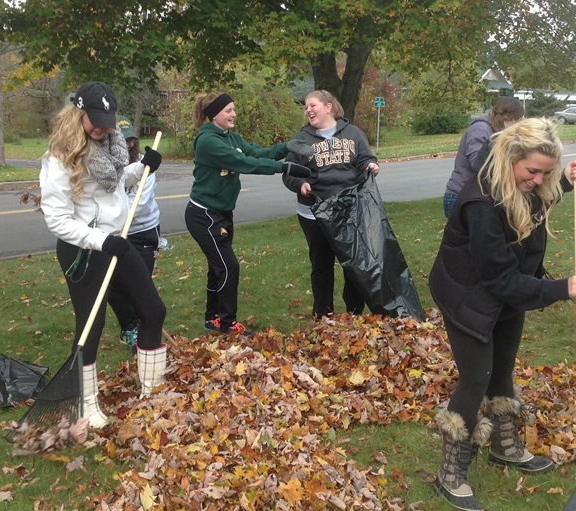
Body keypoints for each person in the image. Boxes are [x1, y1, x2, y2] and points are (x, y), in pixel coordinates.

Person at [429, 117, 576, 511]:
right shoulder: (482, 203)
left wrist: (564, 182)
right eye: (532, 171)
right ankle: (450, 473)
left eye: (546, 172)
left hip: (507, 292)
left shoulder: (522, 183)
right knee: (476, 375)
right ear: (510, 158)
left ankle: (504, 447)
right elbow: (498, 277)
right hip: (468, 294)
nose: (538, 179)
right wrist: (558, 289)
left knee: (503, 370)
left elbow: (534, 203)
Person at [40, 82, 166, 428]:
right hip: (83, 249)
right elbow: (57, 220)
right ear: (77, 114)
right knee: (91, 327)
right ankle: (87, 404)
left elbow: (113, 184)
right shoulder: (58, 159)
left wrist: (142, 168)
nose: (102, 127)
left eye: (106, 120)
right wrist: (99, 241)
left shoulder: (111, 146)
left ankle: (151, 394)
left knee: (153, 310)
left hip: (117, 241)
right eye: (94, 120)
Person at [186, 92, 313, 335]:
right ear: (214, 115)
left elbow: (256, 153)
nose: (234, 114)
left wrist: (285, 148)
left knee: (218, 267)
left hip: (222, 213)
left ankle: (212, 319)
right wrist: (283, 167)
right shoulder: (208, 141)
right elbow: (244, 162)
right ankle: (227, 323)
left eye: (233, 109)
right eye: (228, 110)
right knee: (229, 266)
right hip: (204, 215)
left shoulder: (230, 137)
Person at [282, 90, 380, 318]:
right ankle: (323, 315)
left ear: (328, 107)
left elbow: (366, 159)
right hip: (314, 213)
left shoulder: (354, 134)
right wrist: (300, 184)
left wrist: (371, 165)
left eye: (312, 105)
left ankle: (354, 312)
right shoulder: (302, 139)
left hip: (349, 211)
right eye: (306, 106)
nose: (308, 110)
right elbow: (288, 172)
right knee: (321, 265)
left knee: (353, 264)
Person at [107, 116, 162, 353]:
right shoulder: (107, 166)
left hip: (143, 231)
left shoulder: (146, 164)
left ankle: (143, 331)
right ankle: (130, 327)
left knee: (140, 286)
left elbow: (136, 205)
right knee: (111, 283)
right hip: (116, 232)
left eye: (132, 140)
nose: (128, 145)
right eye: (122, 140)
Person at [443, 97, 525, 219]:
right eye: (520, 120)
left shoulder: (497, 132)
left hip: (478, 197)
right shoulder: (480, 130)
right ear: (512, 120)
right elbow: (478, 165)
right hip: (461, 196)